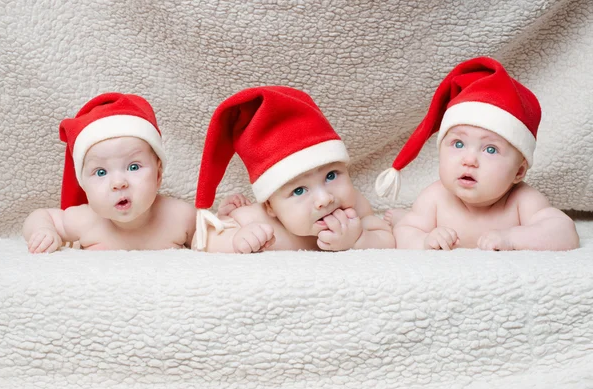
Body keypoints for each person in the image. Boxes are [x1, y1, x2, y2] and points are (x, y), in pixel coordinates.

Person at [375, 56, 579, 251]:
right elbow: (405, 233)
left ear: (519, 172)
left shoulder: (522, 201)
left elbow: (564, 232)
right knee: (409, 220)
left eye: (490, 149)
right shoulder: (435, 198)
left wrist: (512, 238)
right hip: (423, 220)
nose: (469, 160)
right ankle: (403, 215)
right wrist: (425, 240)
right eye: (458, 143)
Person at [194, 86, 396, 253]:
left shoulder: (356, 207)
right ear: (270, 207)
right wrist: (237, 239)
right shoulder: (259, 219)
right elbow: (202, 240)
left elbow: (387, 239)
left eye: (331, 175)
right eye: (299, 190)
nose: (325, 199)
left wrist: (358, 239)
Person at [24, 92, 217, 252]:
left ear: (158, 175)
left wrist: (237, 235)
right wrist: (43, 230)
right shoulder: (85, 220)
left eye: (133, 167)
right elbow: (42, 216)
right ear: (83, 183)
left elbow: (211, 238)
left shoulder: (180, 216)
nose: (118, 182)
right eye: (100, 172)